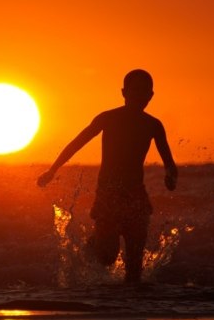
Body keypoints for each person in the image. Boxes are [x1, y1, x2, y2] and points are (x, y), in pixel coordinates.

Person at [37, 69, 178, 283]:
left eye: (144, 91)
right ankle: (89, 248)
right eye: (135, 90)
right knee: (108, 256)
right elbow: (76, 144)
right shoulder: (108, 118)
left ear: (151, 95)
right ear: (124, 92)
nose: (140, 95)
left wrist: (171, 177)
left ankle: (131, 308)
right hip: (109, 194)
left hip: (136, 198)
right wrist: (52, 170)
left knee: (134, 268)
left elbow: (169, 162)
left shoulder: (153, 125)